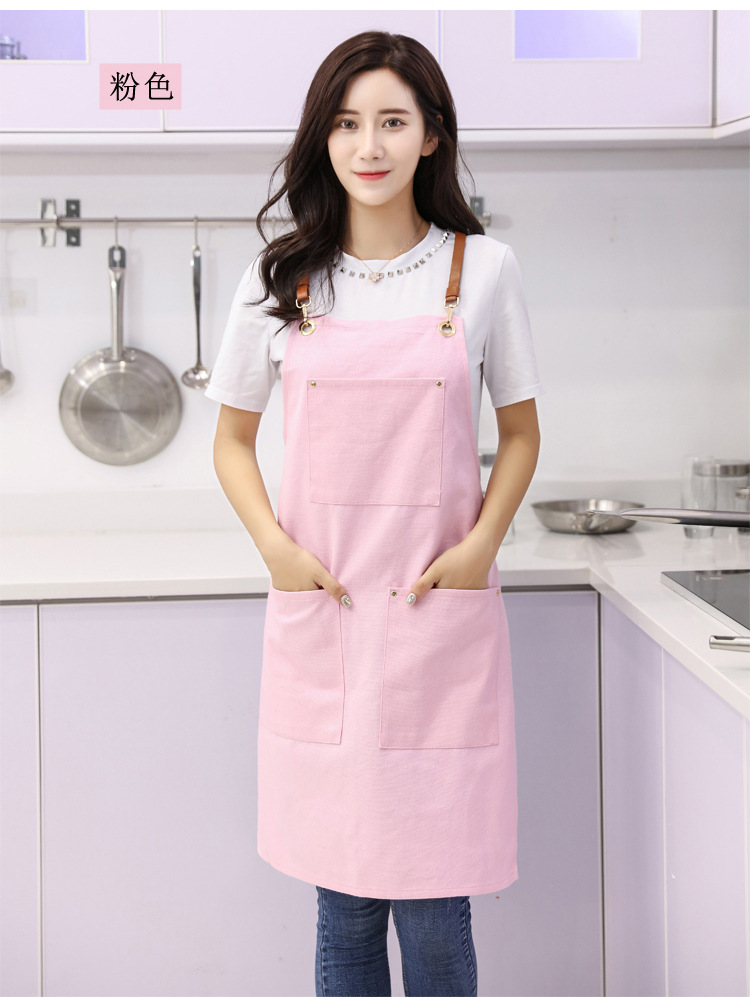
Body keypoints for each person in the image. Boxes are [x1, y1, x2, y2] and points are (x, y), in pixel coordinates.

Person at [206, 30, 542, 999]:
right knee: (345, 907)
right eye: (348, 123)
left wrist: (482, 546)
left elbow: (521, 434)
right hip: (329, 613)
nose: (369, 145)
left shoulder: (483, 270)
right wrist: (274, 548)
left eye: (392, 121)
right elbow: (231, 441)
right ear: (324, 138)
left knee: (436, 911)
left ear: (431, 136)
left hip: (439, 624)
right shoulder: (280, 279)